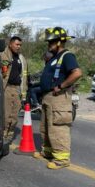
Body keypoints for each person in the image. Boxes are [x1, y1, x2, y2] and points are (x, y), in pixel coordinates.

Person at [34, 27, 82, 170]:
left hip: (58, 97)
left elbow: (77, 73)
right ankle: (48, 152)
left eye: (51, 42)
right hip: (48, 97)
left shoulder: (67, 56)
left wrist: (61, 86)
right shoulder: (54, 57)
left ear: (60, 42)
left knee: (58, 127)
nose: (49, 44)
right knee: (46, 126)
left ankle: (61, 159)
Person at [0, 36, 29, 146]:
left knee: (15, 114)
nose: (19, 47)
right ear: (10, 44)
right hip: (6, 88)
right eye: (17, 44)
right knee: (6, 114)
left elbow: (24, 76)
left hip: (17, 89)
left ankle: (10, 134)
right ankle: (3, 135)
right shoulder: (2, 55)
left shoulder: (21, 58)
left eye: (20, 45)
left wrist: (24, 92)